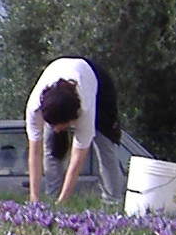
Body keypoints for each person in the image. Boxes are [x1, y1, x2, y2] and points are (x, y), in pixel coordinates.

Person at [24, 57, 125, 204]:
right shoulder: (35, 108)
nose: (57, 129)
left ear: (73, 119)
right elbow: (35, 153)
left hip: (98, 84)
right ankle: (52, 196)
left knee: (105, 144)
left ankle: (113, 200)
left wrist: (63, 201)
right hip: (57, 88)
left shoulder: (84, 110)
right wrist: (34, 197)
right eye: (51, 124)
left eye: (60, 125)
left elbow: (77, 160)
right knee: (51, 145)